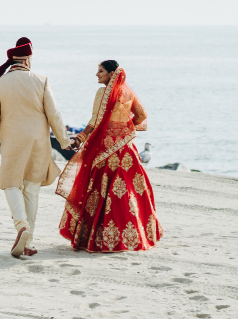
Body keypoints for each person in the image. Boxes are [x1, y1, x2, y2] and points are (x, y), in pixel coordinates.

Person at [0, 37, 71, 257]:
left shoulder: (0, 83)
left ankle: (21, 227)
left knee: (11, 185)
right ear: (28, 59)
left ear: (13, 60)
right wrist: (65, 141)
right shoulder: (42, 80)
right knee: (31, 190)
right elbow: (54, 115)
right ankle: (28, 243)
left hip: (12, 142)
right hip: (39, 141)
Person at [56, 61, 162, 252]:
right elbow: (142, 115)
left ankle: (98, 239)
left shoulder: (102, 93)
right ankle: (134, 237)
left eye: (101, 71)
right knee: (128, 189)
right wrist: (126, 126)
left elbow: (95, 121)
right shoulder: (128, 93)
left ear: (111, 73)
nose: (97, 75)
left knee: (100, 189)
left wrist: (80, 138)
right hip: (125, 148)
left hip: (104, 147)